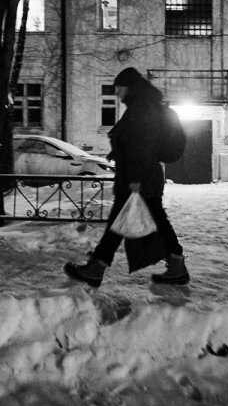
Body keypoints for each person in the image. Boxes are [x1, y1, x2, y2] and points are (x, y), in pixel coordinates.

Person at [64, 67, 188, 287]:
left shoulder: (141, 108)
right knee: (148, 220)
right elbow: (134, 143)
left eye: (118, 88)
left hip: (139, 178)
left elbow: (141, 145)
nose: (117, 93)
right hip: (143, 175)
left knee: (122, 222)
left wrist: (136, 179)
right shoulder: (143, 106)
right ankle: (176, 265)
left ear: (129, 86)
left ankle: (97, 267)